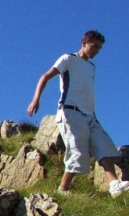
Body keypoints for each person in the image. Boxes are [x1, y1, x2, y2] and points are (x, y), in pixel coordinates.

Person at [27, 30, 129, 198]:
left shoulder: (92, 67)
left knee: (104, 146)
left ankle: (114, 185)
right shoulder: (68, 59)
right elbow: (45, 76)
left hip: (90, 116)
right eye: (94, 46)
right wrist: (35, 99)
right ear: (84, 43)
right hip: (70, 112)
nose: (97, 50)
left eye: (99, 48)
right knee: (77, 152)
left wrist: (93, 115)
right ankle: (62, 190)